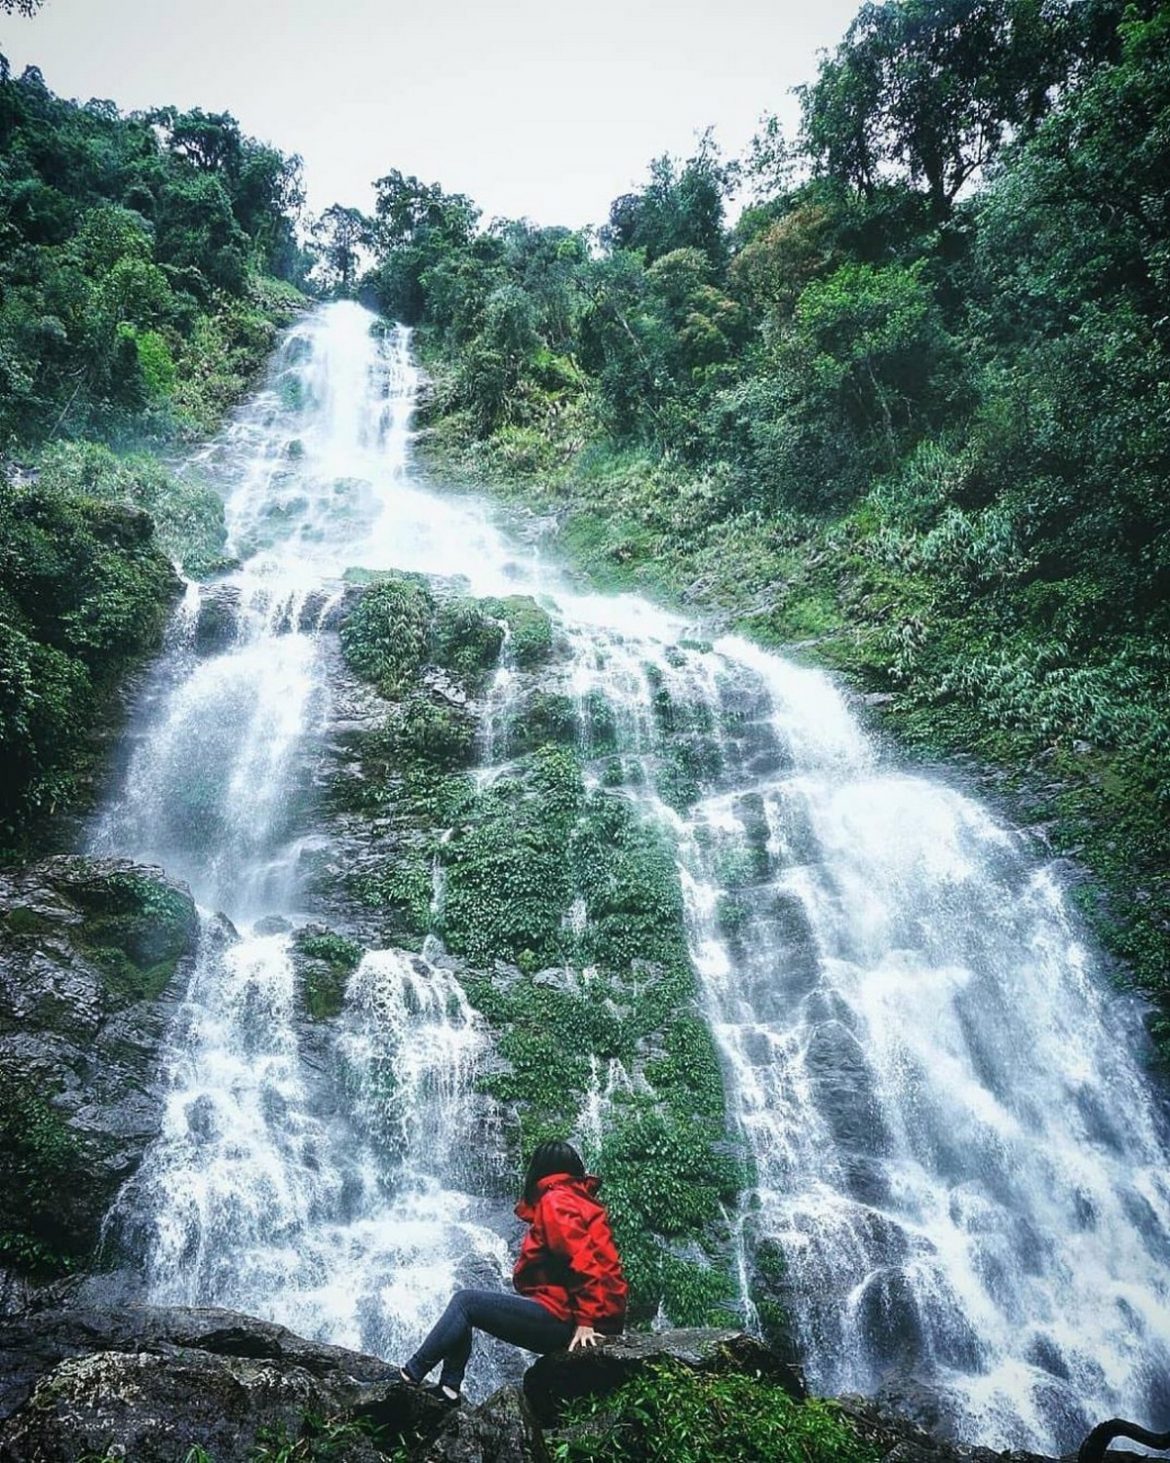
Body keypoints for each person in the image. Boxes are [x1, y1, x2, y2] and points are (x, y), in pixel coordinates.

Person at [399, 1140, 627, 1404]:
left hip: (571, 1320)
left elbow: (581, 1260)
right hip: (591, 1317)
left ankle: (410, 1374)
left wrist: (587, 1321)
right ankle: (448, 1388)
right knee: (468, 1306)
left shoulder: (556, 1200)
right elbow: (604, 1266)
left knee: (466, 1302)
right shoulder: (579, 1201)